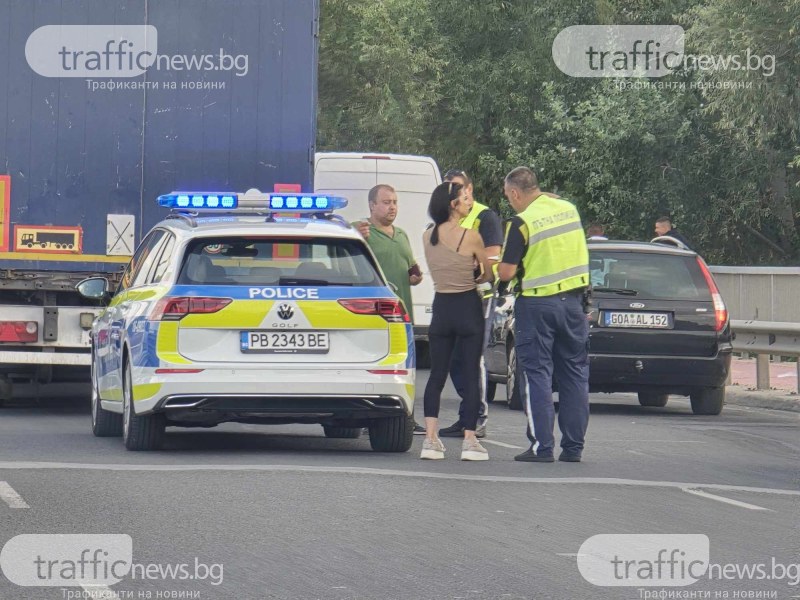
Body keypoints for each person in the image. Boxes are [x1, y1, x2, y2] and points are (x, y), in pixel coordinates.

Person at [497, 167, 590, 463]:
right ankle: (573, 448)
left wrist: (498, 276)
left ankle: (542, 447)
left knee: (537, 374)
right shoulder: (569, 210)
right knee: (574, 374)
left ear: (515, 193)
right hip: (574, 304)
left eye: (509, 197)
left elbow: (507, 271)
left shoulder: (521, 222)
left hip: (537, 305)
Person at [421, 181, 493, 461]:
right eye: (464, 198)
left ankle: (430, 439)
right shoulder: (471, 235)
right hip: (467, 307)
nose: (468, 202)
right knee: (471, 374)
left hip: (442, 307)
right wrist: (477, 270)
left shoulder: (427, 236)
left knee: (437, 375)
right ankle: (470, 440)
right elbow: (487, 274)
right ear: (453, 204)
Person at [437, 169, 504, 440]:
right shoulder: (445, 218)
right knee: (454, 359)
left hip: (478, 295)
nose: (453, 192)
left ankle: (476, 418)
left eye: (458, 187)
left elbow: (493, 256)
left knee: (471, 358)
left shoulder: (485, 217)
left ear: (470, 189)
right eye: (448, 187)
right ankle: (467, 414)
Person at [354, 184, 426, 434]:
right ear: (372, 206)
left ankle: (406, 418)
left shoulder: (402, 234)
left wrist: (415, 276)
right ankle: (364, 417)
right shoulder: (363, 231)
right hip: (373, 315)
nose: (392, 206)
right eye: (385, 202)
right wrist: (355, 233)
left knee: (405, 369)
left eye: (394, 201)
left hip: (401, 314)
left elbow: (411, 266)